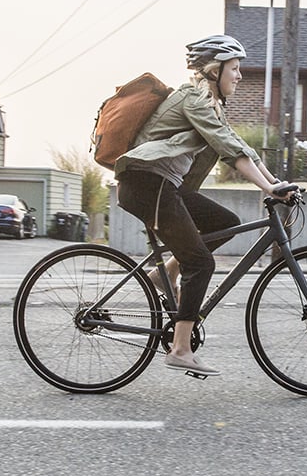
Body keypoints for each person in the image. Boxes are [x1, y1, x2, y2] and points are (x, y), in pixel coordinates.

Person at [114, 34, 292, 377]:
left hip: (166, 186)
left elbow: (239, 146)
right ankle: (180, 349)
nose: (239, 75)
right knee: (201, 263)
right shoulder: (193, 98)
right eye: (235, 68)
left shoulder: (209, 103)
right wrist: (270, 186)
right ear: (214, 70)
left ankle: (165, 272)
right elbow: (228, 147)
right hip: (147, 185)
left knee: (223, 221)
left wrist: (275, 184)